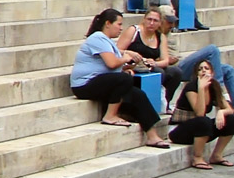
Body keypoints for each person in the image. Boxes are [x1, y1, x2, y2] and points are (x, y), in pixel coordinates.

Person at [69, 9, 169, 147]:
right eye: (119, 24)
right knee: (124, 79)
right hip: (84, 85)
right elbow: (112, 63)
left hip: (101, 81)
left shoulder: (107, 41)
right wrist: (126, 58)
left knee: (138, 94)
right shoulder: (97, 38)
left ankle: (152, 135)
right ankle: (110, 115)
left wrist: (129, 66)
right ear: (108, 23)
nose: (121, 28)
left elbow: (115, 67)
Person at [155, 6, 234, 125]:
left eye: (173, 22)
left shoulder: (169, 33)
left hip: (180, 63)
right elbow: (154, 56)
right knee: (212, 50)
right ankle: (217, 89)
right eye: (169, 22)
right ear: (161, 20)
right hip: (174, 69)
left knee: (228, 69)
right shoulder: (155, 35)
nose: (172, 25)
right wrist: (168, 59)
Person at [168, 59, 234, 170]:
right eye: (200, 69)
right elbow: (200, 113)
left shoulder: (214, 87)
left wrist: (222, 112)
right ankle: (197, 158)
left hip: (200, 129)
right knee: (203, 120)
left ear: (212, 73)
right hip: (180, 130)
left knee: (232, 119)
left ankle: (217, 155)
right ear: (196, 74)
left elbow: (229, 109)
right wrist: (201, 88)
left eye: (206, 68)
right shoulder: (191, 87)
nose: (203, 71)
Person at [118, 8, 184, 105]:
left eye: (155, 21)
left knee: (175, 72)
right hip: (133, 65)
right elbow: (117, 50)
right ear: (144, 19)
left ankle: (166, 102)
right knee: (159, 72)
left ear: (160, 23)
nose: (151, 23)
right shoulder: (134, 31)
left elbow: (165, 60)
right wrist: (131, 53)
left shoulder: (161, 36)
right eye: (149, 19)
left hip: (150, 66)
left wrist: (155, 63)